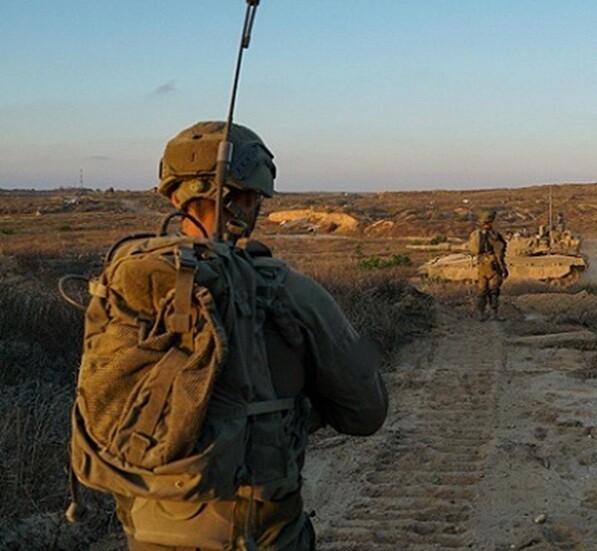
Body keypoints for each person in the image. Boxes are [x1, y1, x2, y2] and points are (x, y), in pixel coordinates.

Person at [74, 121, 388, 550]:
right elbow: (366, 413)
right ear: (250, 199)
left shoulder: (125, 284)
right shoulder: (289, 291)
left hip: (145, 533)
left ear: (173, 196)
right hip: (260, 537)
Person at [468, 209, 507, 320]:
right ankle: (494, 314)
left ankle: (481, 314)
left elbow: (472, 250)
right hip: (493, 265)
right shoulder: (494, 236)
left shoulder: (475, 234)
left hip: (481, 265)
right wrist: (503, 268)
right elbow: (499, 254)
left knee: (481, 291)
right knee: (494, 291)